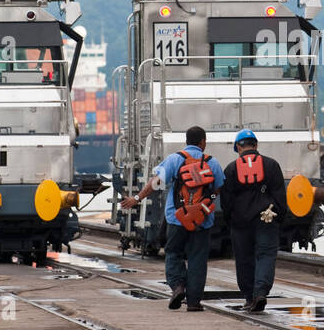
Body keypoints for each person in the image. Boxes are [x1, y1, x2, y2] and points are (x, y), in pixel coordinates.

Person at [119, 124, 224, 312]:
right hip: (202, 219)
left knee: (173, 252)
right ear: (203, 142)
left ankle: (177, 287)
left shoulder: (175, 159)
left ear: (186, 141)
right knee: (198, 259)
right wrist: (208, 203)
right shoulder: (212, 162)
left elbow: (156, 183)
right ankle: (193, 302)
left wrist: (136, 198)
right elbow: (218, 189)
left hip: (177, 218)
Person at [219, 129, 286, 313]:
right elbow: (280, 195)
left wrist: (230, 220)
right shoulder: (271, 165)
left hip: (240, 222)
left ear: (238, 147)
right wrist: (279, 217)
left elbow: (226, 201)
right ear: (256, 145)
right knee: (265, 255)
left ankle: (249, 297)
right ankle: (261, 293)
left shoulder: (231, 169)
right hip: (267, 218)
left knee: (244, 259)